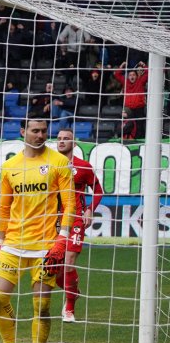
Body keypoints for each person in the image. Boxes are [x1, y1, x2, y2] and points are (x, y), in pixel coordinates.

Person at [0, 117, 75, 343]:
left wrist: (62, 239)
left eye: (43, 131)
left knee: (41, 306)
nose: (41, 135)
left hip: (45, 246)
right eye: (35, 131)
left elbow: (69, 203)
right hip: (13, 244)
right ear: (23, 132)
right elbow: (4, 208)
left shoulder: (59, 162)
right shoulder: (10, 166)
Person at [54, 129, 104, 323]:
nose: (61, 142)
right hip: (52, 219)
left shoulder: (83, 167)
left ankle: (69, 308)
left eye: (66, 139)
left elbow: (98, 190)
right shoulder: (47, 165)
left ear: (74, 144)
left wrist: (90, 209)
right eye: (58, 139)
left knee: (68, 263)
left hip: (75, 219)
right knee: (53, 268)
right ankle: (73, 291)